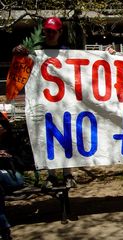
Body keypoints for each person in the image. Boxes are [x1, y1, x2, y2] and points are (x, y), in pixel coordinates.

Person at [12, 17, 76, 189]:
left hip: (65, 103)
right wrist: (17, 51)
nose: (49, 34)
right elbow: (20, 63)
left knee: (66, 138)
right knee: (48, 139)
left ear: (60, 32)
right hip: (44, 102)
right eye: (47, 30)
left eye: (53, 31)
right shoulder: (36, 50)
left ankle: (68, 174)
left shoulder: (67, 51)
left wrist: (108, 53)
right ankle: (51, 175)